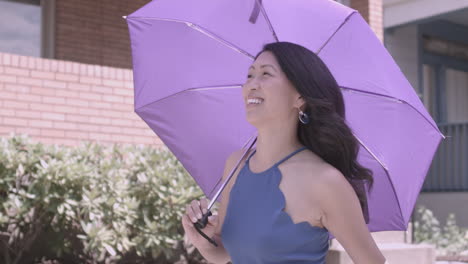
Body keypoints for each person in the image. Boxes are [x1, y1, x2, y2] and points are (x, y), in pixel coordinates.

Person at [181, 42, 387, 264]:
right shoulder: (236, 164)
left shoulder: (324, 181)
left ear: (300, 97)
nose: (251, 84)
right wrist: (202, 239)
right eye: (249, 75)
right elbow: (225, 253)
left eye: (266, 74)